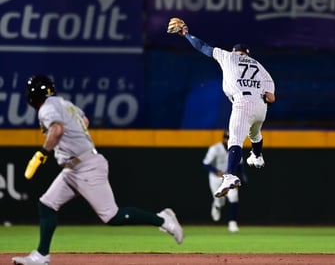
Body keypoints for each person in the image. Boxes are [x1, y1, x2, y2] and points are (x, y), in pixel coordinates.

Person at [12, 75, 184, 265]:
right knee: (47, 204)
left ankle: (162, 220)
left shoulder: (47, 108)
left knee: (112, 216)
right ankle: (41, 256)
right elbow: (84, 121)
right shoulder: (65, 103)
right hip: (73, 168)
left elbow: (57, 129)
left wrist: (42, 153)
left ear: (34, 94)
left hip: (85, 167)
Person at [168, 18, 275, 198]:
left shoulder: (228, 56)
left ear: (235, 51)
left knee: (234, 140)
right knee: (255, 134)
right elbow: (271, 97)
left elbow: (202, 47)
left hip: (242, 103)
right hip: (261, 106)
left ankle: (230, 176)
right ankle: (257, 156)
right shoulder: (259, 66)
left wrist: (185, 34)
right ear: (247, 54)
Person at [202, 130, 247, 232]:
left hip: (230, 177)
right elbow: (205, 163)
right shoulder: (215, 148)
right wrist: (217, 171)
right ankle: (217, 206)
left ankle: (232, 222)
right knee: (219, 200)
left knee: (234, 197)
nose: (228, 140)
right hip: (216, 178)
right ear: (223, 139)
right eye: (226, 138)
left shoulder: (236, 148)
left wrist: (243, 176)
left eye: (230, 138)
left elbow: (240, 165)